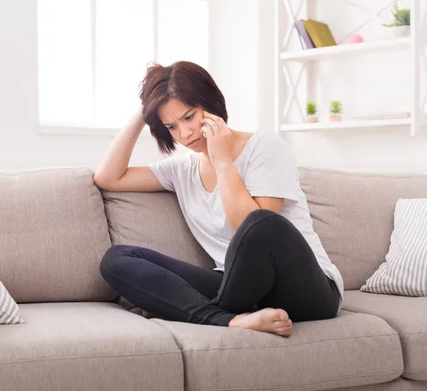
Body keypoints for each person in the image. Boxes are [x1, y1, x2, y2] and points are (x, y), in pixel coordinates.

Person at [93, 61, 344, 337]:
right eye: (172, 126)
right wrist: (145, 110)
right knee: (116, 259)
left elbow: (252, 229)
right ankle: (229, 320)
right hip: (237, 290)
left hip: (308, 290)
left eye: (189, 117)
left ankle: (192, 310)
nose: (184, 134)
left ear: (210, 105)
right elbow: (108, 178)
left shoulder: (265, 147)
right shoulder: (181, 170)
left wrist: (222, 160)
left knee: (263, 223)